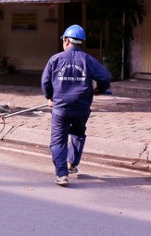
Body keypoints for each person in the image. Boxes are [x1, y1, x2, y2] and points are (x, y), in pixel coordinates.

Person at [41, 24, 111, 186]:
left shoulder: (55, 59)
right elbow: (105, 77)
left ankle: (62, 174)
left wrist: (49, 97)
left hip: (61, 109)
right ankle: (73, 163)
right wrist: (99, 90)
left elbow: (45, 82)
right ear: (80, 42)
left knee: (58, 141)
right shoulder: (88, 60)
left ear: (66, 40)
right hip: (82, 108)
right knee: (78, 133)